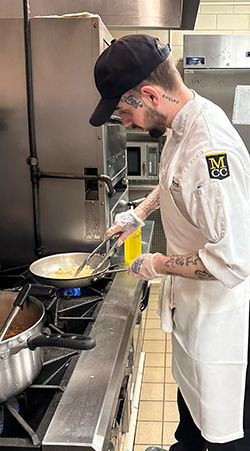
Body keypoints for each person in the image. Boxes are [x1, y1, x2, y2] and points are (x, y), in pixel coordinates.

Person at [89, 34, 250, 451]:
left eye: (124, 111)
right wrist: (139, 212)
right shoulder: (183, 124)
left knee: (220, 432)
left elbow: (232, 262)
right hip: (193, 307)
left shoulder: (210, 149)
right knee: (191, 420)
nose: (124, 123)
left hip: (219, 319)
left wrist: (157, 264)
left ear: (148, 94)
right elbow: (173, 182)